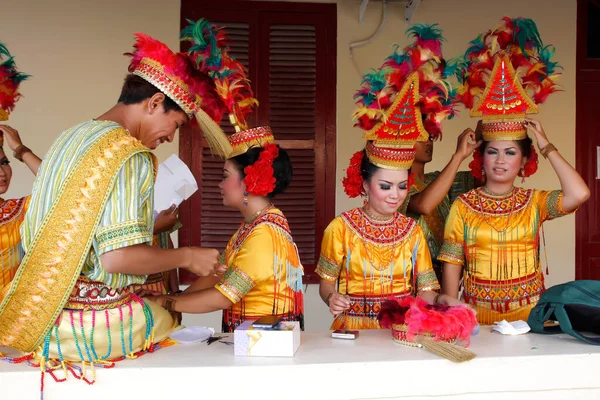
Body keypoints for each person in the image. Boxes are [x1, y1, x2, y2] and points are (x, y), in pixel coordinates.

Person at [0, 32, 231, 380]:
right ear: (154, 103)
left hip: (33, 315)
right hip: (85, 324)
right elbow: (117, 259)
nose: (170, 137)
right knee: (165, 314)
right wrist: (188, 257)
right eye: (176, 125)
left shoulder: (70, 137)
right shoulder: (130, 154)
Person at [147, 19, 304, 333]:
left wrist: (167, 304)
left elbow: (224, 295)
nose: (219, 184)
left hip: (264, 343)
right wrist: (171, 298)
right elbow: (217, 276)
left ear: (249, 181)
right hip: (250, 340)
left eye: (225, 175)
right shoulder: (252, 228)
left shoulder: (264, 235)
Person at [438, 17, 590, 325]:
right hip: (476, 316)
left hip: (532, 317)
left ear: (523, 161)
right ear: (482, 157)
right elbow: (452, 265)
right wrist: (454, 316)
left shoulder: (534, 202)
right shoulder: (463, 206)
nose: (500, 160)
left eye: (510, 153)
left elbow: (580, 193)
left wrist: (547, 145)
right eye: (492, 152)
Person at [316, 25, 464, 330]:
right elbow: (326, 285)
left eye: (401, 186)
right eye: (385, 186)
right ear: (366, 184)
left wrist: (443, 301)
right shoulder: (340, 229)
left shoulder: (412, 231)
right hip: (352, 332)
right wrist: (333, 297)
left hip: (399, 332)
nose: (395, 195)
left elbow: (426, 290)